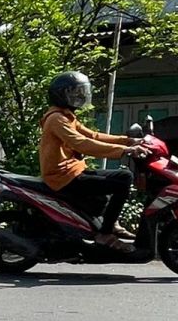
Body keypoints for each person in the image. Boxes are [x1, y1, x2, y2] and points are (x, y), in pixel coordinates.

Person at [40, 71, 148, 250]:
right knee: (124, 178)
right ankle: (105, 234)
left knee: (113, 182)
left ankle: (108, 223)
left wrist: (127, 140)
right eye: (74, 93)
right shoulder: (56, 119)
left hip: (73, 171)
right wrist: (125, 150)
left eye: (81, 91)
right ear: (61, 95)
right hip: (62, 176)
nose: (80, 96)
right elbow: (82, 143)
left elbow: (93, 135)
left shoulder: (65, 116)